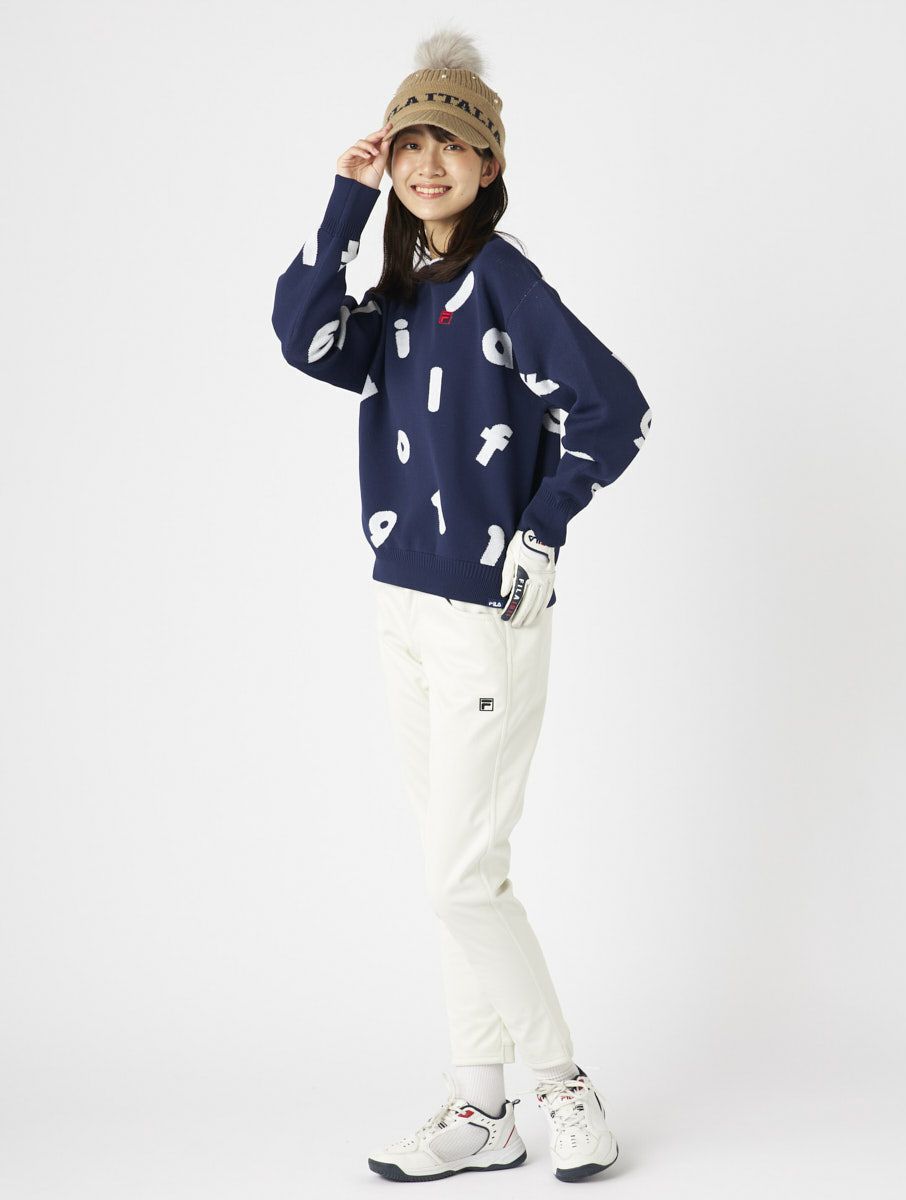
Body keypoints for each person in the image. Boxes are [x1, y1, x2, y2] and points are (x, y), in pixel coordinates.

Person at [271, 27, 651, 1184]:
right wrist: (342, 203)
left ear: (489, 164)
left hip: (484, 612)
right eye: (410, 144)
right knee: (457, 875)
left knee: (459, 876)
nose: (428, 163)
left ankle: (560, 1084)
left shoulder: (504, 282)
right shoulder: (399, 292)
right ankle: (481, 1108)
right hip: (402, 604)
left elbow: (616, 409)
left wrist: (543, 527)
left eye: (452, 144)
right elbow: (302, 337)